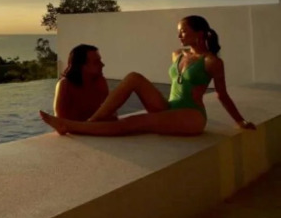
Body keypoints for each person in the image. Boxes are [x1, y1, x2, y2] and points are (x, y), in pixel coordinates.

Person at [39, 15, 256, 136]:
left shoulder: (212, 62)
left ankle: (75, 126)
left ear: (199, 33)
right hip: (169, 106)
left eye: (183, 31)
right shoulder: (177, 55)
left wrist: (240, 121)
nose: (179, 35)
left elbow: (222, 95)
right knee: (133, 77)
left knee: (135, 122)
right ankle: (92, 122)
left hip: (191, 115)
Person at [54, 44, 117, 121]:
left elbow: (111, 112)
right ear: (82, 66)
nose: (102, 65)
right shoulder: (65, 85)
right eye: (96, 62)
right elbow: (60, 120)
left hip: (93, 126)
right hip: (73, 128)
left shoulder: (100, 82)